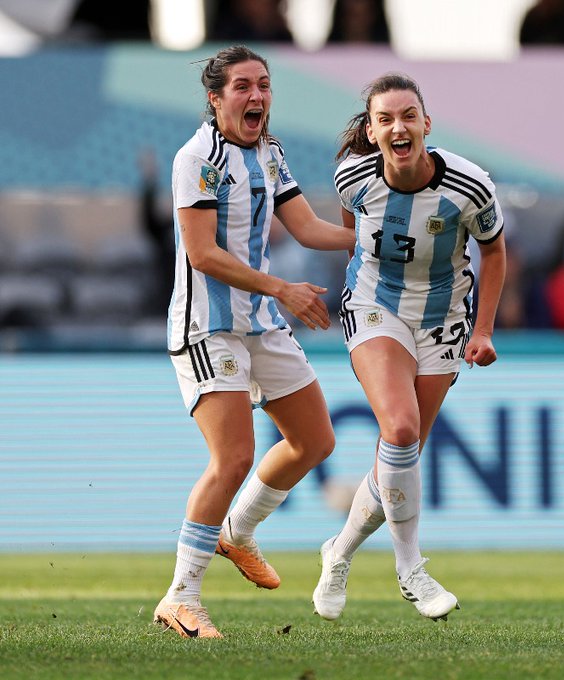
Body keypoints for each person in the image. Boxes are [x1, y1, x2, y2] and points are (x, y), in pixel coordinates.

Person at [153, 45, 354, 638]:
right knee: (235, 456)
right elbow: (203, 254)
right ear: (216, 99)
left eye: (263, 85)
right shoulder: (197, 158)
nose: (257, 96)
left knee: (315, 441)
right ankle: (180, 597)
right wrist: (282, 288)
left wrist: (373, 234)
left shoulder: (270, 152)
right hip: (206, 326)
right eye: (242, 87)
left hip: (261, 322)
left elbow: (307, 227)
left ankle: (237, 532)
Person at [312, 74, 506, 621]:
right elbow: (356, 238)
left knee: (399, 456)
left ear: (425, 123)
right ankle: (411, 571)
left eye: (407, 115)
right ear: (372, 133)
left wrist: (484, 330)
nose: (398, 126)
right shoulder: (353, 178)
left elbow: (494, 253)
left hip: (443, 317)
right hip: (376, 306)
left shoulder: (471, 186)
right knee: (398, 429)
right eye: (385, 119)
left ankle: (339, 552)